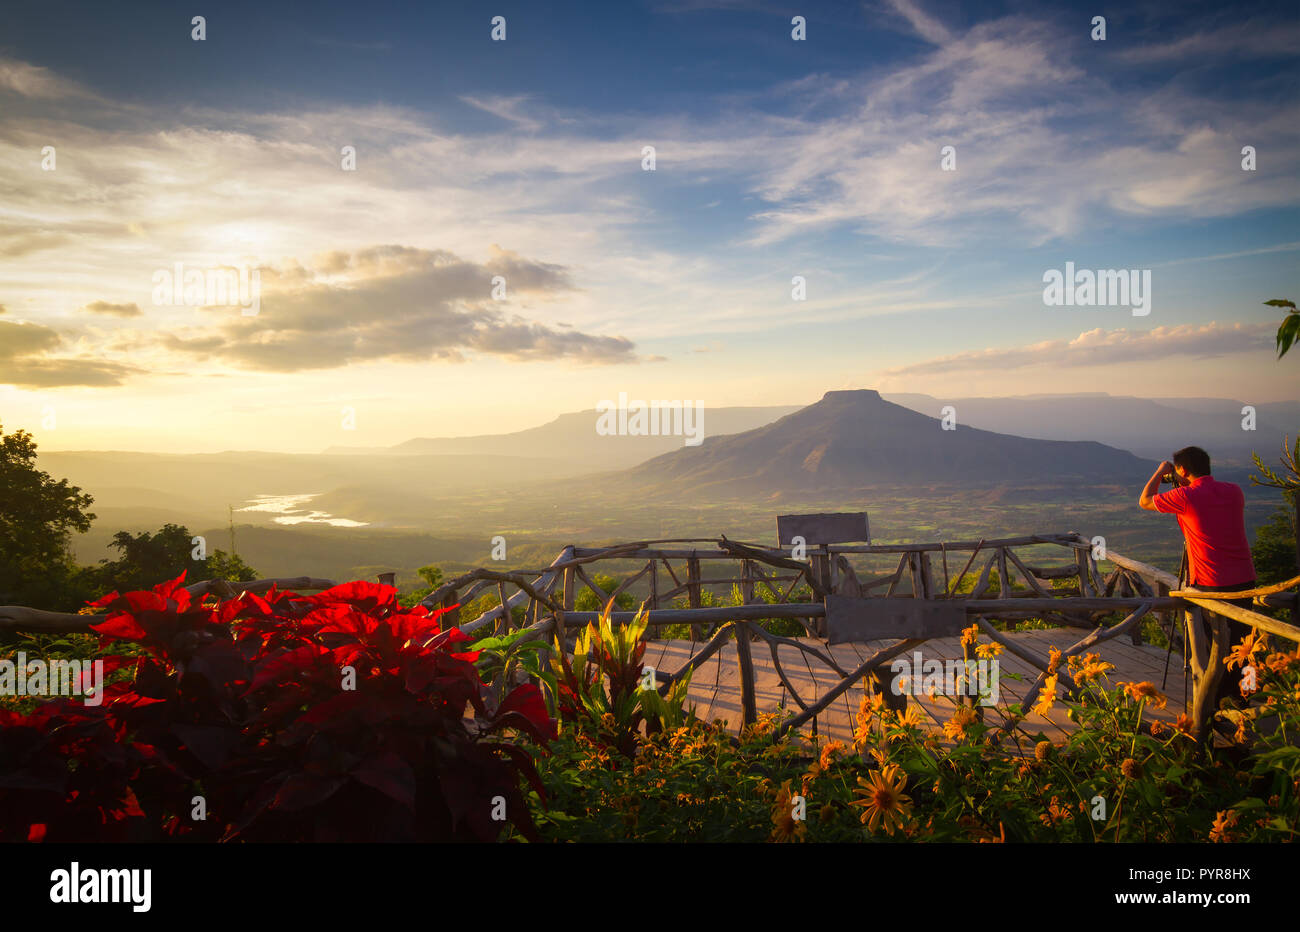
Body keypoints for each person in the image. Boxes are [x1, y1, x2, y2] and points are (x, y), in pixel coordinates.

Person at [1138, 445, 1257, 705]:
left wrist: (1161, 471)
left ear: (1182, 469)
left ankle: (1215, 704)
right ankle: (1247, 695)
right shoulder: (1234, 491)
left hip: (1211, 583)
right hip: (1246, 579)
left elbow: (1145, 500)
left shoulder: (1186, 497)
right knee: (1245, 644)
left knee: (1215, 647)